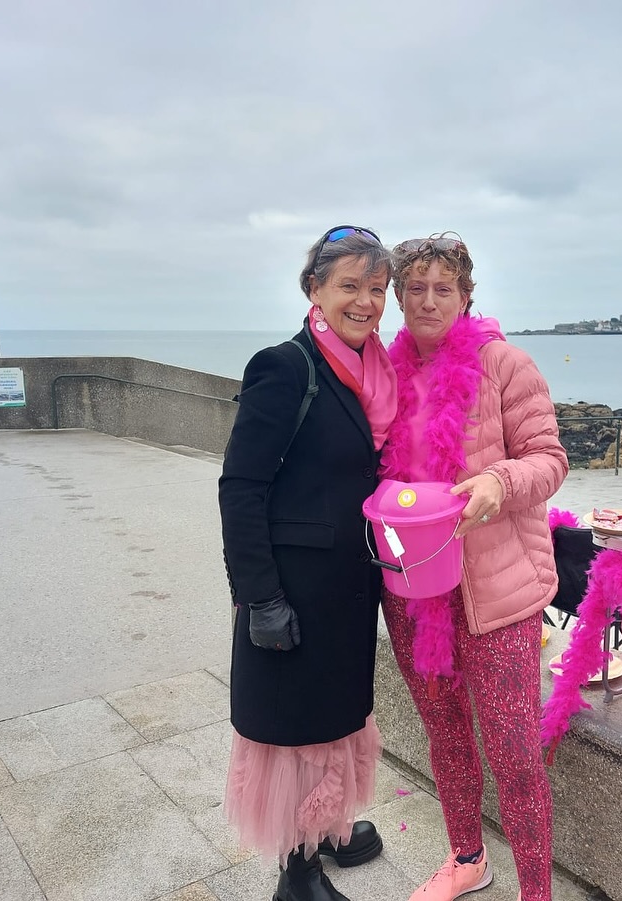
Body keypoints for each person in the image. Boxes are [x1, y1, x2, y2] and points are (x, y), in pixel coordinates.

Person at [379, 234, 568, 901]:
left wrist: (498, 480)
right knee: (445, 734)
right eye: (415, 287)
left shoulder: (505, 365)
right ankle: (466, 857)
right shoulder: (383, 372)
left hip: (497, 592)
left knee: (514, 754)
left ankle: (535, 891)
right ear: (397, 296)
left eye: (443, 287)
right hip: (411, 592)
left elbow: (549, 459)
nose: (429, 300)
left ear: (465, 295)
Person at [219, 225, 397, 901]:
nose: (366, 302)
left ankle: (325, 829)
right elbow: (241, 486)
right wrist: (259, 594)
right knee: (296, 733)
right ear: (314, 290)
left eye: (376, 289)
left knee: (336, 719)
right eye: (349, 285)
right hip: (293, 591)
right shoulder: (286, 366)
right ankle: (297, 873)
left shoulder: (369, 372)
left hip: (348, 588)